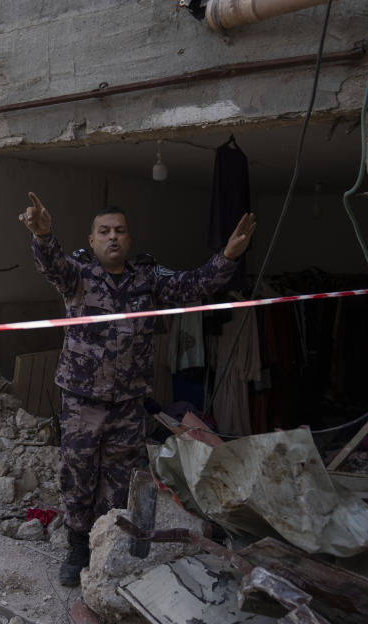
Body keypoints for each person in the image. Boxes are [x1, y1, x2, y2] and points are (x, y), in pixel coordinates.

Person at [18, 192, 256, 586]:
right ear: (92, 241)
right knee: (77, 477)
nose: (113, 238)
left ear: (129, 239)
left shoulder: (147, 277)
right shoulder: (78, 275)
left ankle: (105, 544)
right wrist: (43, 234)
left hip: (128, 404)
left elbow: (193, 285)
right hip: (82, 401)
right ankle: (77, 546)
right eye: (104, 232)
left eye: (120, 231)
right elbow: (52, 265)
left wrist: (227, 256)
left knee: (119, 481)